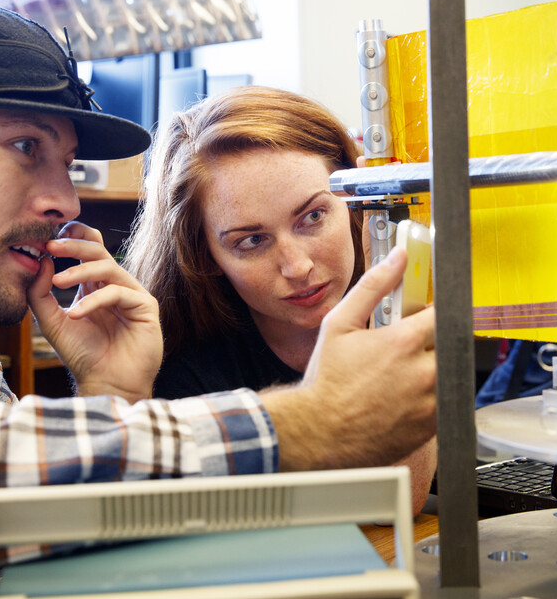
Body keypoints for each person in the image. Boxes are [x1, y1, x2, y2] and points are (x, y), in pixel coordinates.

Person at [0, 0, 437, 597]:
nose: (65, 200)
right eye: (25, 144)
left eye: (65, 162)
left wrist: (108, 393)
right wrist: (308, 421)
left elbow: (20, 574)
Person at [124, 86, 437, 514]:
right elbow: (391, 503)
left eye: (313, 216)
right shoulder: (182, 370)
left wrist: (399, 294)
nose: (297, 267)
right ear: (206, 256)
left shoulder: (417, 296)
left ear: (354, 201)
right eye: (252, 240)